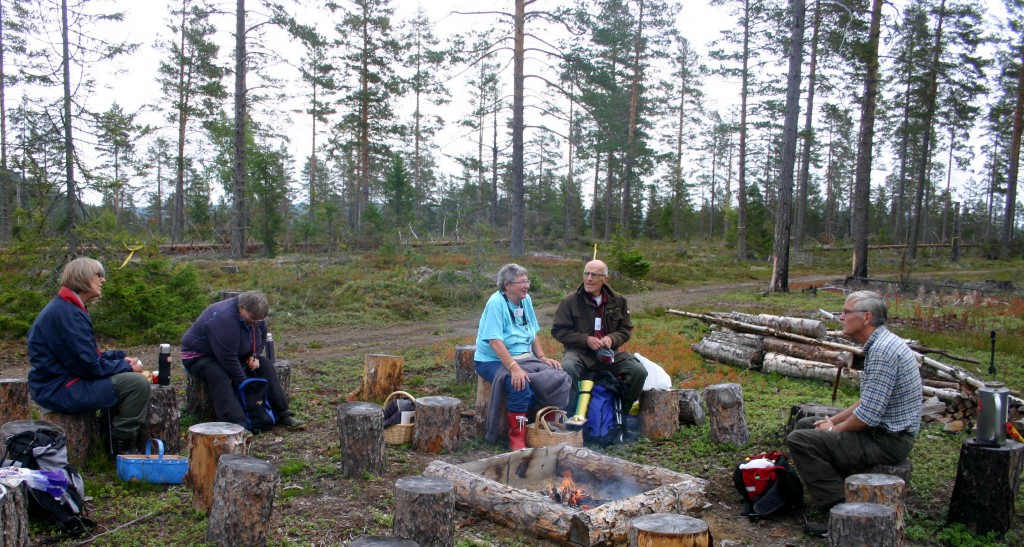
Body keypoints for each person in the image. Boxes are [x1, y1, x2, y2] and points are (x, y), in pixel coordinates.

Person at [786, 291, 921, 529]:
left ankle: (841, 510)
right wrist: (832, 421)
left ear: (866, 317)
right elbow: (867, 400)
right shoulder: (882, 343)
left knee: (800, 440)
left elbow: (867, 417)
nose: (841, 317)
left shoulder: (882, 352)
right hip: (883, 433)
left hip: (888, 440)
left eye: (847, 312)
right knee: (806, 425)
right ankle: (840, 485)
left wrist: (834, 429)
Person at [27, 257, 152, 455]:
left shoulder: (67, 307)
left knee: (126, 378)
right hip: (59, 389)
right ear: (83, 277)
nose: (103, 280)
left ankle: (107, 434)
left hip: (60, 382)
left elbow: (85, 356)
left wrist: (118, 358)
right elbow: (88, 366)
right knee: (136, 384)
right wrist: (126, 367)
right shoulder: (67, 313)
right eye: (98, 275)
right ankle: (119, 444)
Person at [474, 264, 571, 450]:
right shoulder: (496, 303)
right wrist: (514, 368)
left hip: (525, 356)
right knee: (519, 384)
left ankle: (546, 427)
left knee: (558, 376)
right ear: (507, 285)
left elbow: (532, 331)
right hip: (492, 360)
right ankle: (516, 437)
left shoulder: (526, 300)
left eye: (527, 281)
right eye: (521, 282)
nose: (526, 285)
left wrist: (542, 357)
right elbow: (494, 341)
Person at [181, 291, 304, 431]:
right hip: (199, 356)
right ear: (241, 308)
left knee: (265, 366)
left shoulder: (256, 317)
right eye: (252, 319)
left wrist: (255, 355)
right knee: (220, 376)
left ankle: (282, 413)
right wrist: (245, 384)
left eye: (258, 321)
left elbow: (262, 338)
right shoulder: (224, 319)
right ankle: (237, 425)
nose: (255, 323)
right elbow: (227, 358)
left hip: (234, 354)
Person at [552, 259, 648, 416]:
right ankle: (569, 417)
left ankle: (621, 414)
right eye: (586, 273)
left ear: (606, 279)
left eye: (595, 275)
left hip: (608, 355)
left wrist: (612, 338)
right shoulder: (570, 301)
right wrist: (586, 340)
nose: (589, 278)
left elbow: (625, 329)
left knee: (638, 371)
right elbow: (558, 331)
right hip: (579, 353)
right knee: (567, 368)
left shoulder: (618, 301)